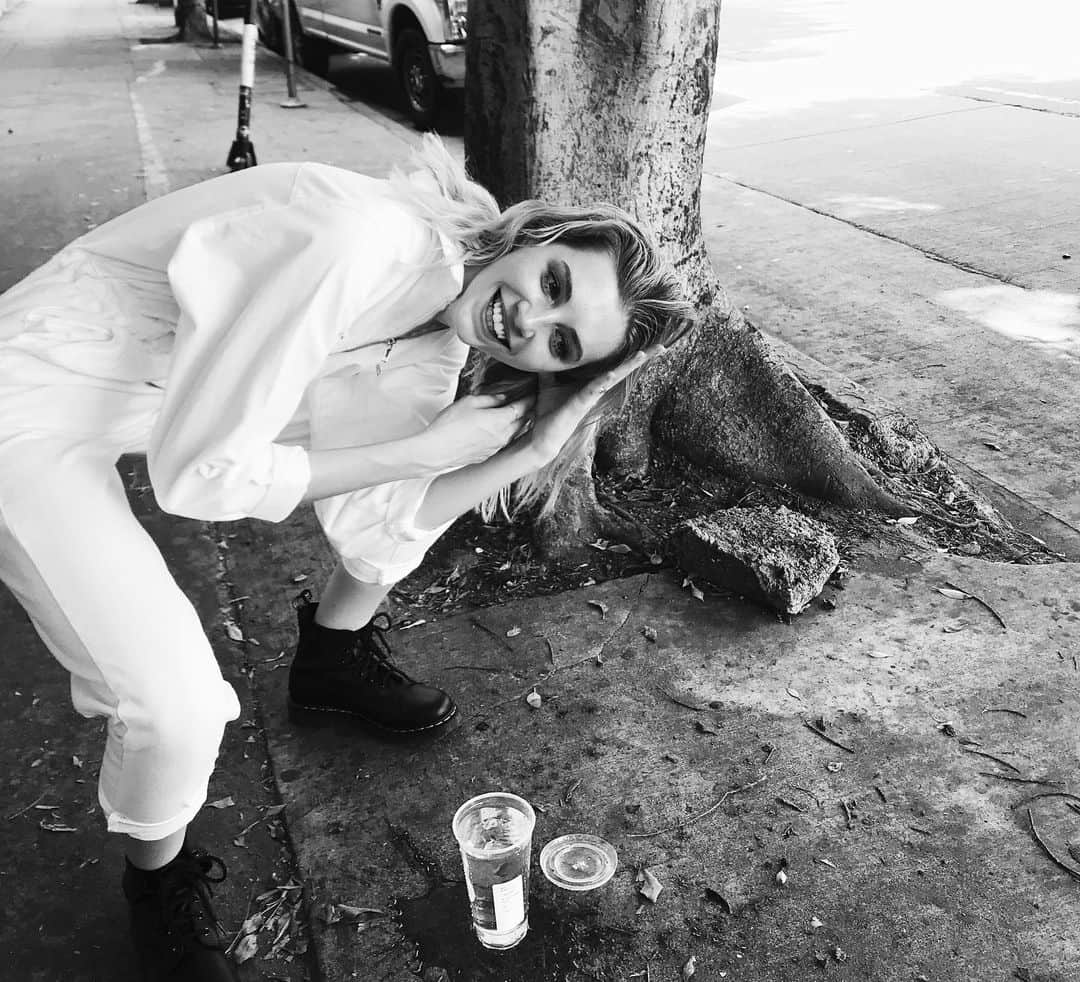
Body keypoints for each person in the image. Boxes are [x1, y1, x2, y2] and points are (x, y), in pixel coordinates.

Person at [0, 138, 692, 981]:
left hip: (124, 415)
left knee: (184, 694)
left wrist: (519, 453)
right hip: (24, 400)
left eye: (561, 346)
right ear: (537, 235)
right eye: (554, 286)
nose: (529, 324)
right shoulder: (359, 239)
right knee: (174, 706)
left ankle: (325, 669)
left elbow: (379, 525)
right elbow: (196, 479)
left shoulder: (434, 333)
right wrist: (425, 449)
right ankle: (161, 883)